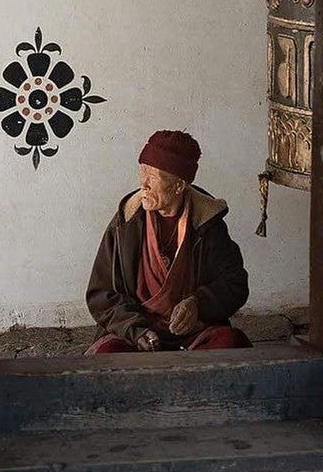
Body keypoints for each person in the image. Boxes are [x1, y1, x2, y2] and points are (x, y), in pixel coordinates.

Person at [84, 130, 252, 353]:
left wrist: (198, 304)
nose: (143, 184)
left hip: (193, 330)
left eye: (152, 178)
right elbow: (101, 293)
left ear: (179, 186)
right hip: (137, 332)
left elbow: (235, 283)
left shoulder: (207, 223)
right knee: (108, 356)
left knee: (230, 344)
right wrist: (135, 330)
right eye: (141, 172)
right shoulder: (126, 222)